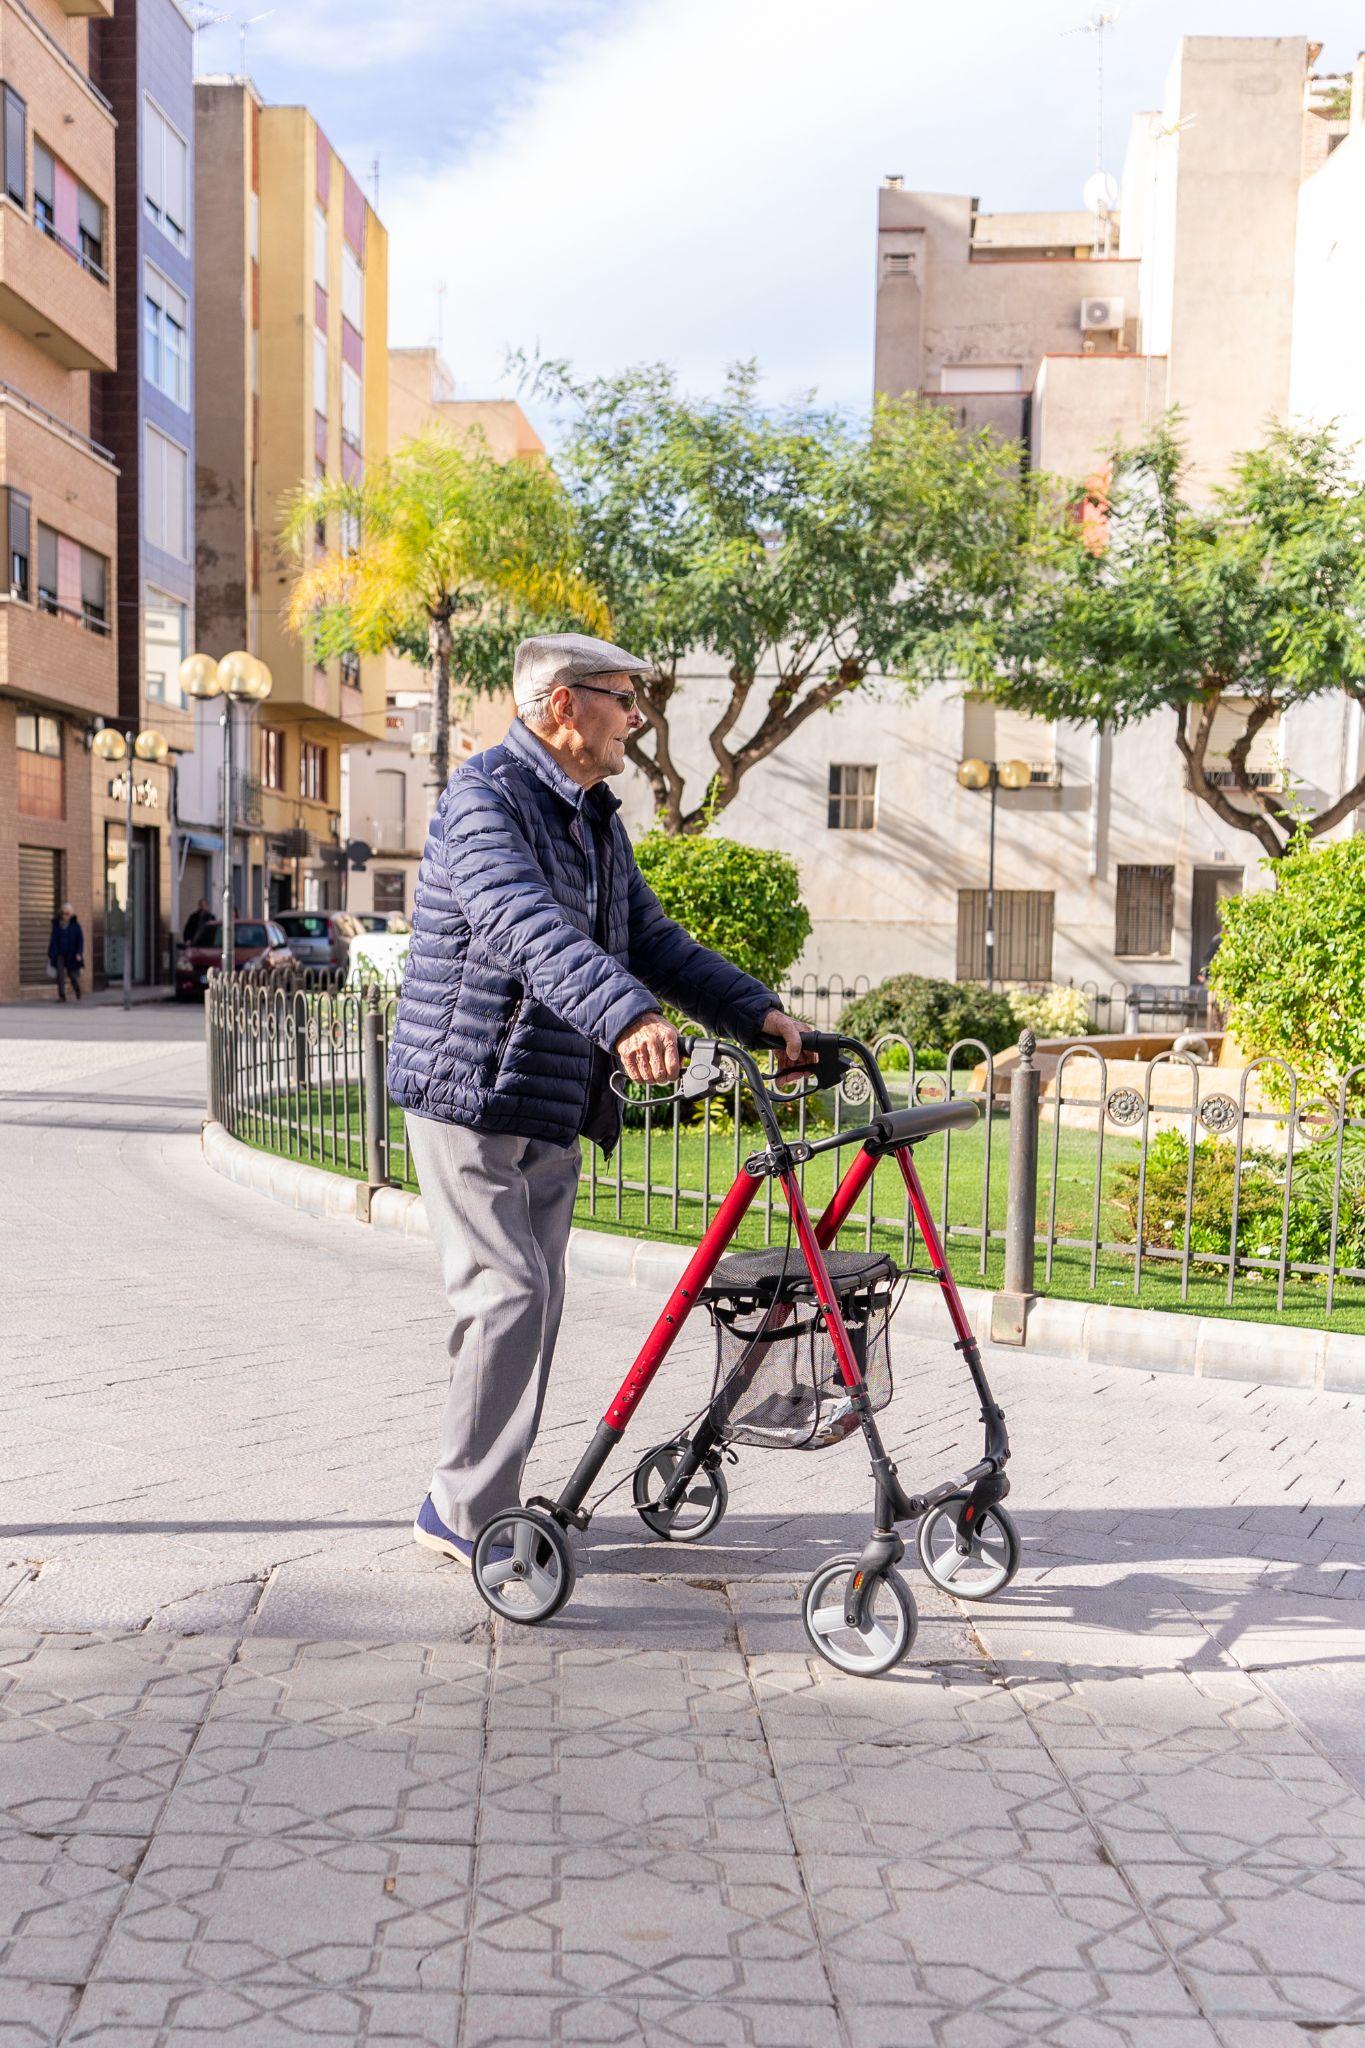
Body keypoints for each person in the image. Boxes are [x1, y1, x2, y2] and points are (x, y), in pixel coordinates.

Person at [388, 632, 810, 1567]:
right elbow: (523, 926)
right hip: (470, 1090)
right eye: (624, 697)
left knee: (532, 1303)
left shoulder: (591, 814)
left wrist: (757, 1012)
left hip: (548, 1096)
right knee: (506, 1294)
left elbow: (649, 939)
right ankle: (464, 1514)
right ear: (564, 705)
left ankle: (467, 1494)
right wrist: (625, 1021)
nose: (637, 716)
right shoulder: (483, 799)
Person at [48, 904, 84, 1001]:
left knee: (72, 975)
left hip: (72, 953)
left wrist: (79, 953)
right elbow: (53, 939)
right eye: (63, 913)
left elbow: (80, 941)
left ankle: (78, 990)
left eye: (67, 914)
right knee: (60, 974)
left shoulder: (75, 926)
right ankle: (62, 996)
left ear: (71, 914)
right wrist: (52, 953)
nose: (65, 916)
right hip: (60, 953)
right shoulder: (57, 925)